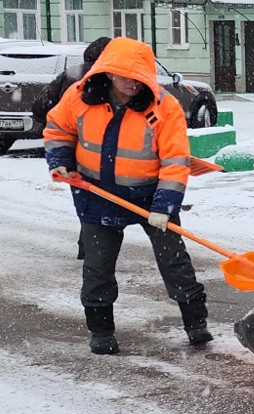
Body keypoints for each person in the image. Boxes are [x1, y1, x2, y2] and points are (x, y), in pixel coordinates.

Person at [43, 37, 213, 354]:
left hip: (152, 199)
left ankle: (196, 324)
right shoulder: (80, 97)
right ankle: (102, 331)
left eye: (139, 77)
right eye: (125, 76)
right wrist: (61, 162)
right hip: (97, 197)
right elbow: (57, 129)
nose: (133, 83)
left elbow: (175, 162)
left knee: (174, 261)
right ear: (108, 72)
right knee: (98, 267)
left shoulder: (164, 107)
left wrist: (165, 205)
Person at [32, 36, 111, 260]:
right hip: (99, 149)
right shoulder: (112, 77)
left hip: (69, 149)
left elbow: (39, 108)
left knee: (86, 197)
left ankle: (89, 247)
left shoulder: (72, 74)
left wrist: (60, 120)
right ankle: (94, 249)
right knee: (102, 196)